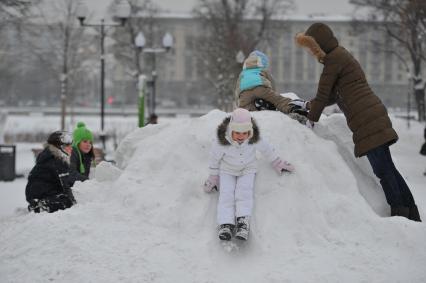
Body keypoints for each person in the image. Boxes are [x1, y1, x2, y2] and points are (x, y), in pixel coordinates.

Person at [292, 22, 421, 222]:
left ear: (319, 45)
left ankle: (400, 213)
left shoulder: (333, 61)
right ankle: (411, 213)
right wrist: (308, 105)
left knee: (383, 171)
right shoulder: (340, 56)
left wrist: (309, 120)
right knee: (388, 169)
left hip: (367, 119)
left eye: (311, 47)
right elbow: (332, 96)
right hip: (371, 115)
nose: (310, 52)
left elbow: (324, 92)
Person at [203, 108, 295, 241]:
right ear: (230, 130)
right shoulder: (221, 142)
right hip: (227, 170)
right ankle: (225, 224)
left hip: (247, 170)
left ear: (250, 131)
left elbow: (267, 150)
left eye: (245, 133)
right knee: (226, 195)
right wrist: (213, 177)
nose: (241, 137)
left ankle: (242, 223)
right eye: (237, 133)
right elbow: (214, 159)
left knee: (244, 194)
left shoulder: (254, 139)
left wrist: (277, 162)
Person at [235, 50, 308, 122]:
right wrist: (273, 95)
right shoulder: (262, 70)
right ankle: (293, 109)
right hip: (261, 88)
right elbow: (272, 82)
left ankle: (253, 112)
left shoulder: (243, 73)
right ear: (263, 62)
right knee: (279, 101)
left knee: (245, 108)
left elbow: (237, 89)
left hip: (244, 93)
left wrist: (239, 102)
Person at [26, 131, 85, 213]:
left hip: (36, 193)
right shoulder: (57, 160)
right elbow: (65, 183)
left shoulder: (50, 156)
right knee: (67, 202)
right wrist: (74, 202)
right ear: (59, 147)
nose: (71, 148)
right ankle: (43, 205)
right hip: (42, 193)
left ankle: (40, 204)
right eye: (67, 146)